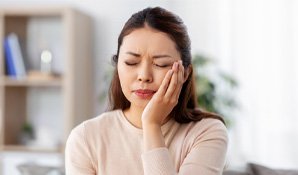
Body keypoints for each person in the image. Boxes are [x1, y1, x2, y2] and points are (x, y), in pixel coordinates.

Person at [65, 7, 228, 175]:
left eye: (161, 64)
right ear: (117, 66)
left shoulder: (206, 133)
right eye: (131, 62)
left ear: (185, 73)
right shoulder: (85, 138)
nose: (144, 76)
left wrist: (151, 125)